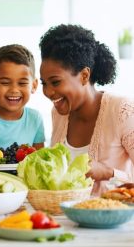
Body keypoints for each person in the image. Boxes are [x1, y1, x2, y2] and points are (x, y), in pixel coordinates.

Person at [39, 24, 134, 195]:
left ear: (84, 75)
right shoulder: (59, 113)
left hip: (113, 218)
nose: (48, 92)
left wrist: (109, 173)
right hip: (66, 218)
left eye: (55, 82)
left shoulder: (122, 110)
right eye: (44, 83)